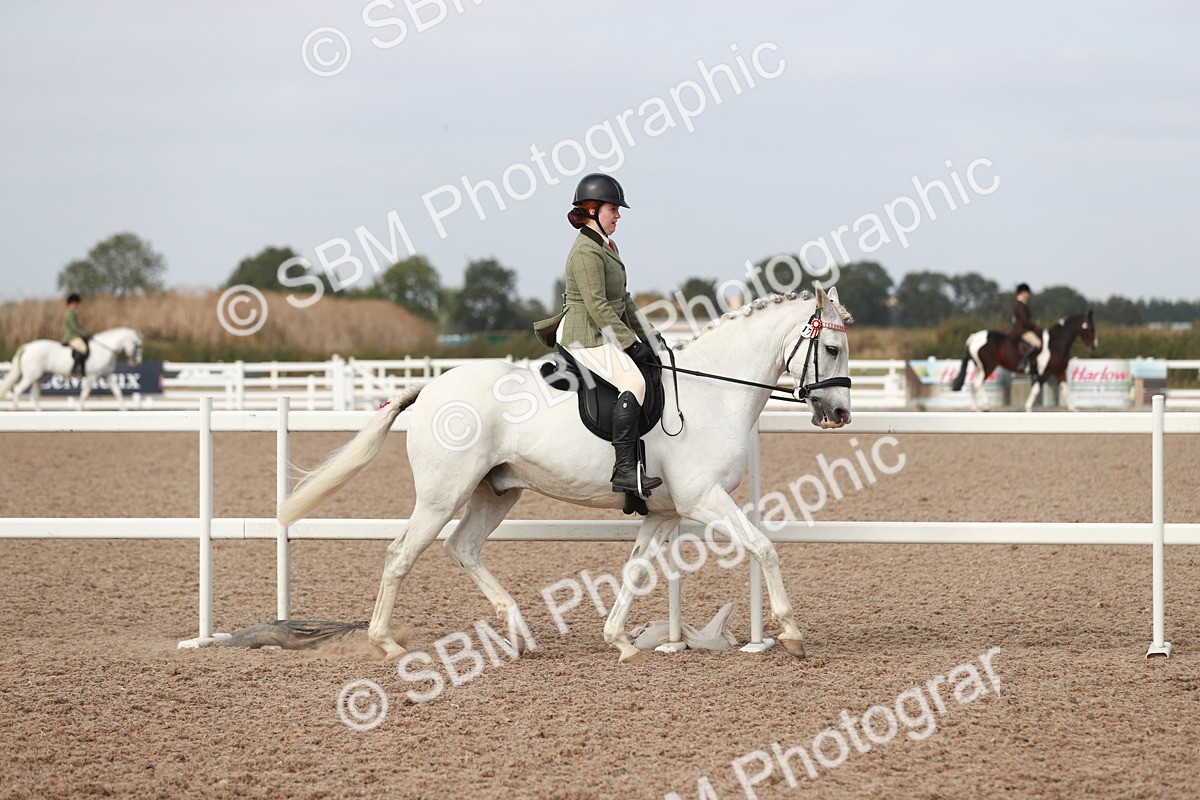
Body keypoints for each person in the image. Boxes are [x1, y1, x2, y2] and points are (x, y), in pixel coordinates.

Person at [532, 173, 662, 496]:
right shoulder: (586, 253)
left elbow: (624, 300)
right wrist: (631, 344)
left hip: (599, 331)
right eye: (613, 209)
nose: (618, 215)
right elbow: (598, 306)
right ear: (592, 211)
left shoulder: (606, 246)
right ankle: (624, 472)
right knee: (634, 381)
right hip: (584, 336)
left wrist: (650, 335)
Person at [1011, 283, 1041, 374]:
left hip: (1024, 329)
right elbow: (1024, 320)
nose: (1029, 294)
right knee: (1038, 344)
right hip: (1022, 331)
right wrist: (1035, 326)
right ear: (1022, 293)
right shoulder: (1020, 304)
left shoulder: (1022, 304)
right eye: (1027, 292)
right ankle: (1025, 363)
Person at [61, 293, 91, 378]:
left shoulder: (73, 313)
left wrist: (87, 332)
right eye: (77, 303)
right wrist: (84, 333)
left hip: (75, 335)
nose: (78, 305)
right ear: (73, 303)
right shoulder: (70, 313)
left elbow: (78, 326)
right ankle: (75, 369)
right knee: (83, 348)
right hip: (71, 336)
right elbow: (74, 327)